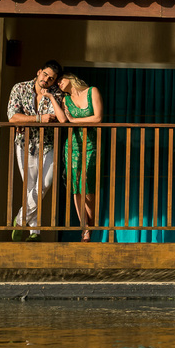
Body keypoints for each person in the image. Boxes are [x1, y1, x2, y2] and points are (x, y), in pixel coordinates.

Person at [6, 60, 63, 241]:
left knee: (44, 185)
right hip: (25, 145)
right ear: (38, 72)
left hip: (47, 145)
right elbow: (13, 117)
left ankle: (20, 220)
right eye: (45, 74)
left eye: (51, 79)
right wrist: (38, 119)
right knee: (30, 188)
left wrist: (27, 120)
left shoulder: (56, 94)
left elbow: (59, 118)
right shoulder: (20, 88)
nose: (47, 80)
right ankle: (34, 233)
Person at [49, 73, 103, 242]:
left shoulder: (92, 92)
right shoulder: (65, 100)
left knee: (87, 187)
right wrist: (51, 97)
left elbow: (98, 118)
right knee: (75, 187)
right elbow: (64, 120)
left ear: (71, 78)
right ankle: (85, 229)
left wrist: (74, 121)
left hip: (91, 145)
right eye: (56, 83)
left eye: (60, 80)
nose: (58, 84)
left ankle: (90, 226)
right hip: (72, 146)